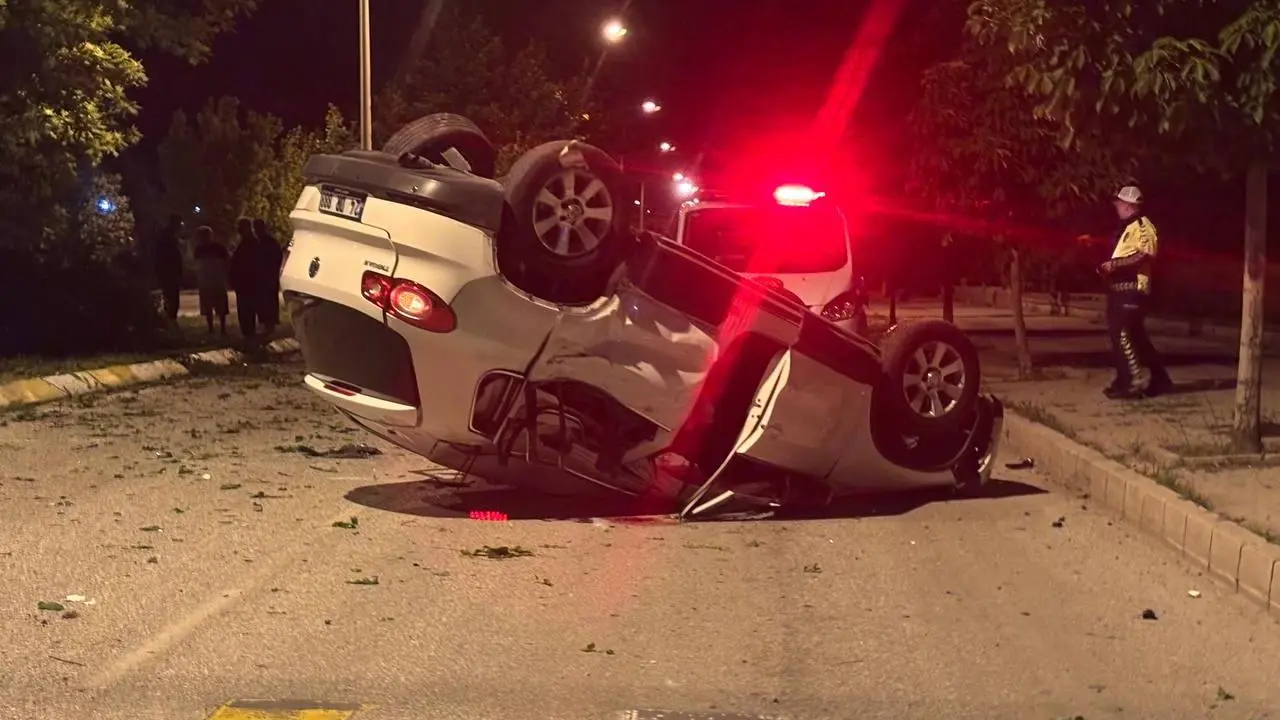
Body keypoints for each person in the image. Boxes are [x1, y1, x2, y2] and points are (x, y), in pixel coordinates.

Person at [1098, 185, 1172, 399]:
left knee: (1121, 332)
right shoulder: (1126, 228)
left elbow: (1146, 255)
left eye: (1119, 204)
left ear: (1128, 205)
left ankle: (1131, 380)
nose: (1116, 207)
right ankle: (1158, 378)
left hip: (1132, 290)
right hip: (1119, 290)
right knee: (1136, 336)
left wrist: (1115, 265)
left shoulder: (1142, 226)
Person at [228, 218, 263, 341]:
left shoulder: (251, 243)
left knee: (246, 308)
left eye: (241, 227)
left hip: (247, 281)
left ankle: (249, 332)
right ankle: (248, 332)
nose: (239, 230)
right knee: (245, 308)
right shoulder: (247, 242)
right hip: (244, 281)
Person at [192, 226, 230, 335]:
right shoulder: (200, 249)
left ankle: (220, 328)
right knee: (209, 305)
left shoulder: (216, 248)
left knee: (218, 305)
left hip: (214, 280)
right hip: (208, 280)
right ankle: (213, 328)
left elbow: (226, 261)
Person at [252, 218, 284, 335]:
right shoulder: (266, 242)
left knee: (268, 300)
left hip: (267, 276)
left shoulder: (265, 242)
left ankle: (269, 324)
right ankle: (267, 324)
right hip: (265, 276)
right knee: (265, 301)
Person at [154, 214, 185, 322]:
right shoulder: (169, 238)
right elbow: (174, 256)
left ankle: (170, 318)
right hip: (170, 271)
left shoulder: (166, 236)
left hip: (166, 271)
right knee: (172, 296)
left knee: (169, 295)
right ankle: (171, 318)